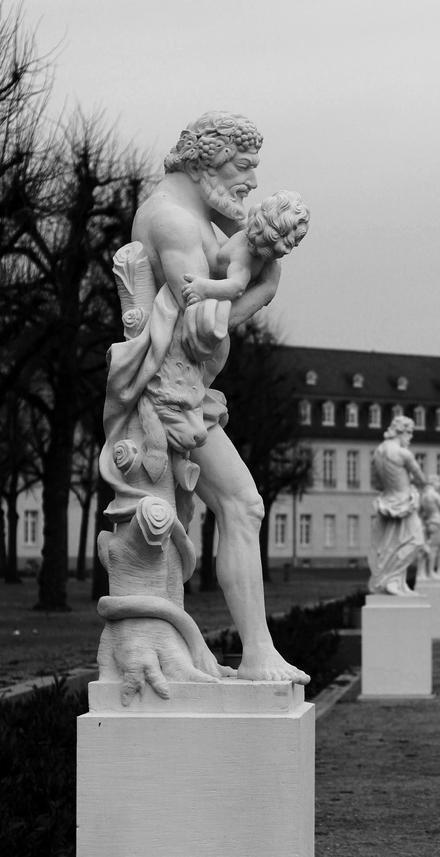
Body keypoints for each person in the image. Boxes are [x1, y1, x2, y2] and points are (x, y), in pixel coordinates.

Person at [118, 111, 308, 685]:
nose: (251, 183)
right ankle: (257, 654)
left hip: (185, 393)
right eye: (244, 167)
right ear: (208, 160)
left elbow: (223, 278)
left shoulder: (193, 223)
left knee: (236, 508)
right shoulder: (175, 223)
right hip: (173, 397)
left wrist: (259, 269)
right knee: (243, 506)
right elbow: (203, 328)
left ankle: (244, 649)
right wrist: (259, 295)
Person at [181, 190, 309, 307]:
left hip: (209, 278)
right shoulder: (250, 227)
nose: (256, 208)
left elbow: (236, 288)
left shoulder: (244, 259)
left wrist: (204, 289)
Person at [368, 416, 427, 595]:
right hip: (404, 503)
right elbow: (421, 478)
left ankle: (399, 584)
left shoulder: (378, 452)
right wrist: (408, 482)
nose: (410, 438)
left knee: (391, 545)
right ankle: (390, 580)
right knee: (416, 541)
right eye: (409, 433)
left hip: (387, 502)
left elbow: (375, 483)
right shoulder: (403, 454)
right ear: (400, 431)